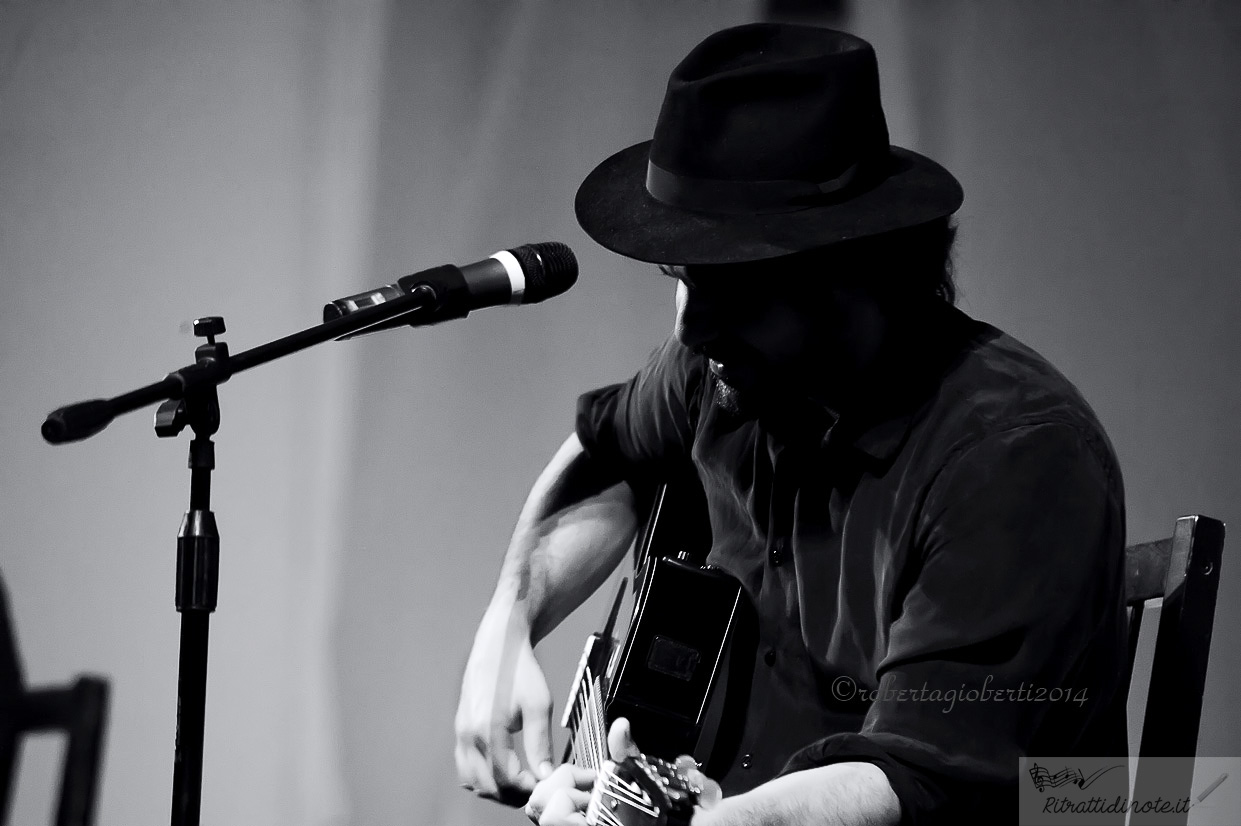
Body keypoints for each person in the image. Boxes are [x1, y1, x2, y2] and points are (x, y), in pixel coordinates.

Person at [454, 22, 1128, 826]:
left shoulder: (1014, 458)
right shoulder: (716, 372)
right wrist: (510, 618)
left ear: (857, 266)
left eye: (731, 286)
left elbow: (916, 780)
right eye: (680, 278)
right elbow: (605, 451)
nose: (691, 329)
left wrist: (712, 822)